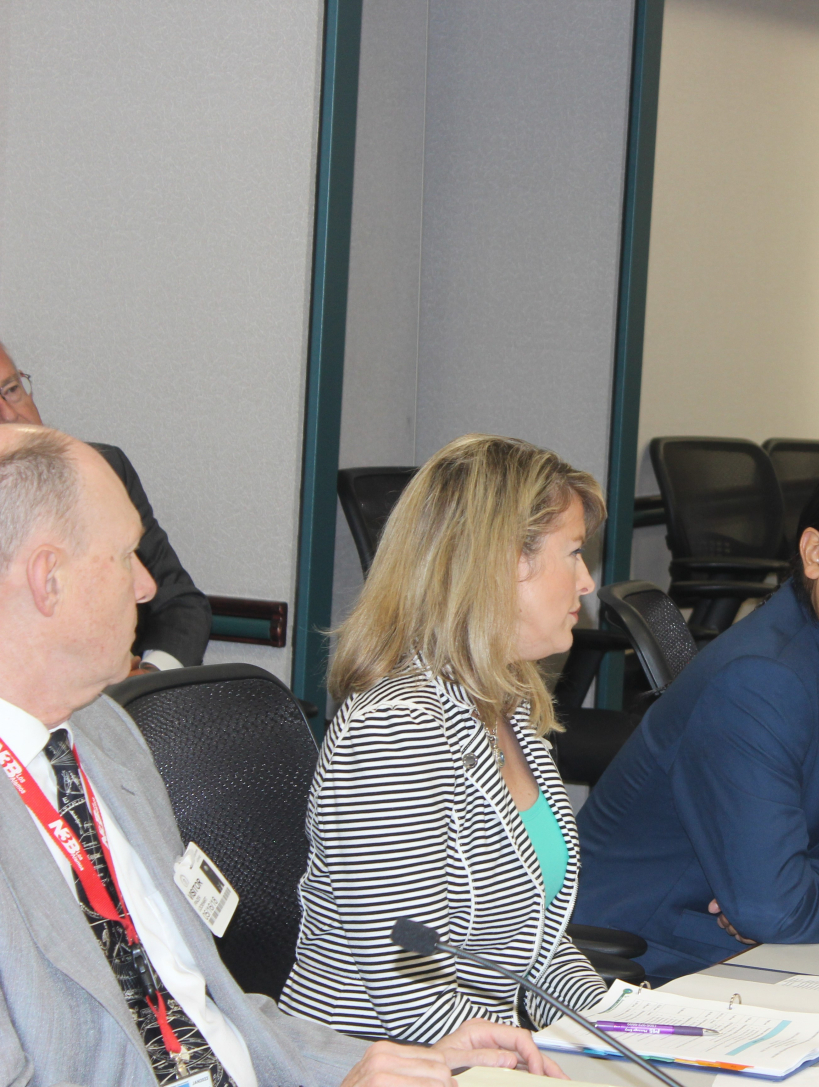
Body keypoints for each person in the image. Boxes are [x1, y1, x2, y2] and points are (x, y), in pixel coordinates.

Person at [0, 424, 561, 1087]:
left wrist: (389, 1061)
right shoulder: (398, 725)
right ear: (48, 578)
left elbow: (210, 1009)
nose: (150, 587)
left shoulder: (106, 735)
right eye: (126, 555)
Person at [575, 453, 819, 981]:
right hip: (653, 957)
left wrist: (797, 891)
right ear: (815, 555)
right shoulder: (759, 681)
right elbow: (780, 904)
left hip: (795, 947)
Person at [281, 435, 608, 1039]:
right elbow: (410, 990)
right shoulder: (396, 728)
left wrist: (618, 1025)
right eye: (573, 554)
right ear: (505, 560)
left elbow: (537, 946)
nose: (587, 582)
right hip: (374, 1065)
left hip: (474, 1056)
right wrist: (536, 1061)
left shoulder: (507, 707)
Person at [0, 341, 210, 669]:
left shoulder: (103, 472)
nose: (9, 413)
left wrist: (147, 682)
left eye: (11, 389)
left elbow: (178, 603)